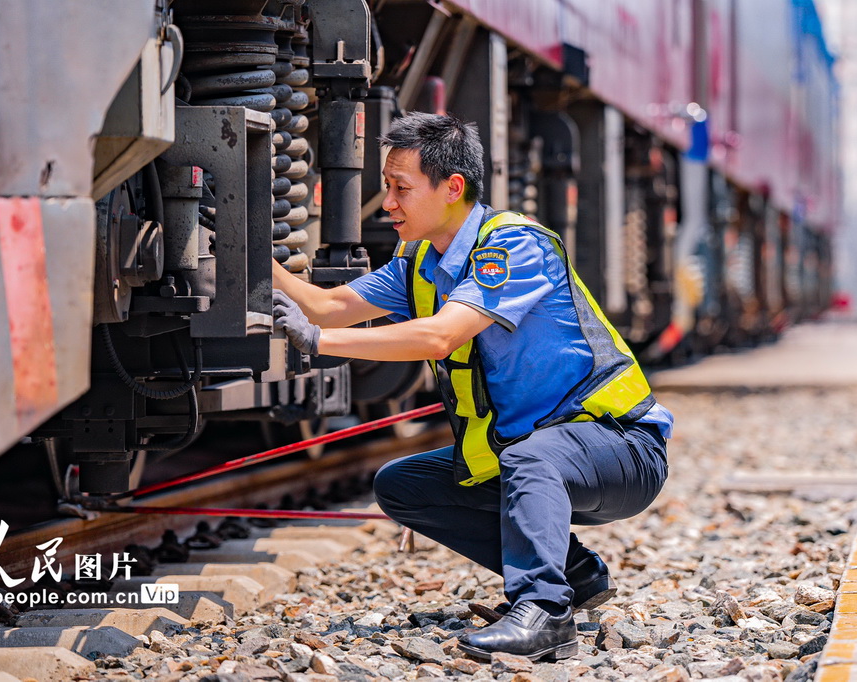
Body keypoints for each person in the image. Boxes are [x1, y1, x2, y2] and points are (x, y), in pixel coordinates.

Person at [272, 112, 672, 662]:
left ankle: (544, 611)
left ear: (452, 188)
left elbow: (440, 337)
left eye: (400, 188)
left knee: (533, 459)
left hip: (621, 449)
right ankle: (577, 576)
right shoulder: (420, 261)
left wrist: (317, 342)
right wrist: (248, 251)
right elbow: (329, 304)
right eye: (387, 187)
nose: (386, 202)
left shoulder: (512, 246)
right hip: (538, 456)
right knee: (402, 485)